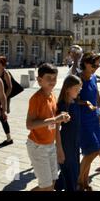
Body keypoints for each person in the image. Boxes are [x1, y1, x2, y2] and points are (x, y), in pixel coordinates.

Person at [26, 63, 71, 191]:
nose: (52, 81)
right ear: (39, 80)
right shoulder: (36, 99)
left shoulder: (52, 96)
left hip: (50, 145)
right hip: (37, 146)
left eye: (54, 78)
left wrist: (61, 117)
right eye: (48, 78)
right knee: (47, 187)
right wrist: (55, 119)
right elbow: (29, 124)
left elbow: (55, 124)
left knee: (51, 183)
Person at [77, 52, 100, 191]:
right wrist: (85, 102)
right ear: (86, 64)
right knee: (92, 151)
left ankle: (84, 183)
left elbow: (98, 98)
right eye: (95, 64)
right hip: (83, 121)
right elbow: (71, 99)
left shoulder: (93, 78)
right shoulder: (77, 79)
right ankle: (79, 180)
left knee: (93, 151)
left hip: (94, 119)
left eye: (98, 64)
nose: (97, 67)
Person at [55, 75, 93, 191]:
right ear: (67, 89)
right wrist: (59, 149)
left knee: (72, 171)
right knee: (71, 173)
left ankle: (57, 186)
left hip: (75, 143)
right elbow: (56, 129)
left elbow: (79, 103)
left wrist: (86, 103)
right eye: (77, 89)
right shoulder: (63, 106)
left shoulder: (74, 101)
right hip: (66, 144)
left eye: (80, 88)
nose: (79, 90)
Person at [0, 56, 13, 147]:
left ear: (2, 64)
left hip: (2, 100)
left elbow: (10, 87)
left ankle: (5, 139)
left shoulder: (5, 73)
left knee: (1, 119)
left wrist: (4, 98)